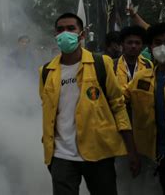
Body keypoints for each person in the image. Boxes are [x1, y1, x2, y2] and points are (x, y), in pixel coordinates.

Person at [39, 13, 140, 195]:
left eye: (71, 29)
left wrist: (131, 150)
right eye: (60, 29)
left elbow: (118, 107)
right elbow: (49, 113)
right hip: (61, 156)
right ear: (55, 35)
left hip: (100, 153)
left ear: (82, 34)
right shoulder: (46, 71)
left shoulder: (102, 63)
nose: (65, 33)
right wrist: (50, 157)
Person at [124, 22, 165, 195]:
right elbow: (119, 103)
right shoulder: (141, 78)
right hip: (154, 157)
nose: (163, 47)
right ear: (150, 46)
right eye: (157, 42)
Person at [115, 26, 152, 91]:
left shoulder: (148, 65)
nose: (133, 46)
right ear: (122, 44)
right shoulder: (113, 65)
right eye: (130, 42)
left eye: (137, 43)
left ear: (142, 46)